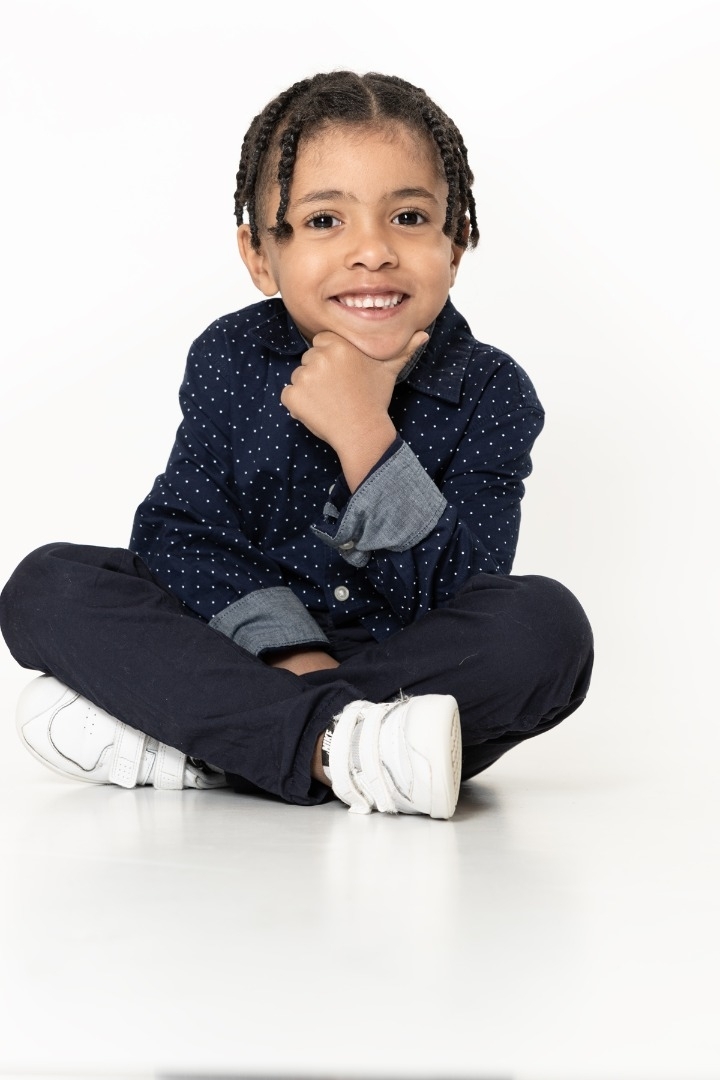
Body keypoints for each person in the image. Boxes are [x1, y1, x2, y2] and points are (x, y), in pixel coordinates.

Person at [0, 71, 593, 819]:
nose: (372, 251)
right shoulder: (230, 356)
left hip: (406, 672)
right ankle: (345, 751)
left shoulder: (492, 391)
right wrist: (290, 653)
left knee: (546, 630)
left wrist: (366, 436)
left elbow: (466, 593)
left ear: (456, 245)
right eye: (324, 221)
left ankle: (213, 744)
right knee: (48, 584)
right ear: (259, 255)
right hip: (239, 652)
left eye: (409, 217)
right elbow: (180, 536)